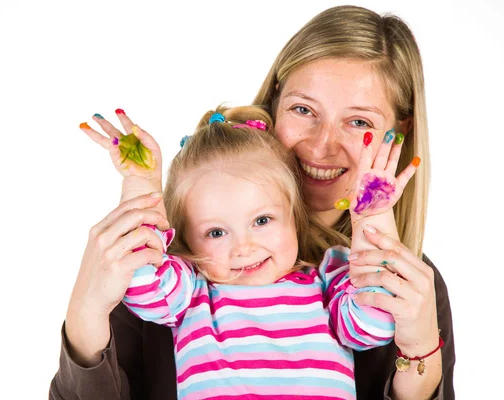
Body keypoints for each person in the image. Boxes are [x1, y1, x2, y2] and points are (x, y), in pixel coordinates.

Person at [50, 5, 455, 400]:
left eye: (359, 122)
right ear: (275, 102)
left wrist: (419, 347)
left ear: (400, 132)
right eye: (303, 109)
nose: (321, 145)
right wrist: (85, 314)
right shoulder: (178, 263)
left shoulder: (393, 282)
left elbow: (369, 318)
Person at [100, 104, 414, 399]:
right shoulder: (189, 292)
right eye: (216, 232)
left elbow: (376, 322)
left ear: (294, 215)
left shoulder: (328, 287)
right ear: (188, 241)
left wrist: (373, 217)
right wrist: (142, 185)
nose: (244, 247)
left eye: (262, 220)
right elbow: (139, 276)